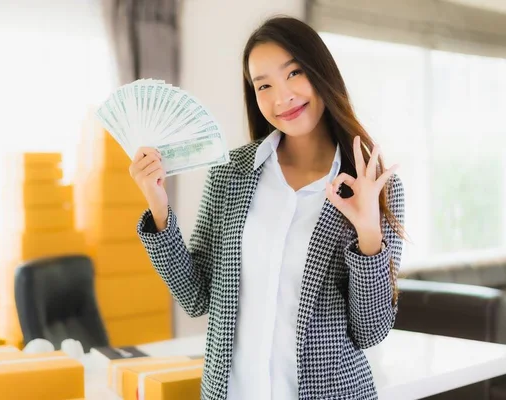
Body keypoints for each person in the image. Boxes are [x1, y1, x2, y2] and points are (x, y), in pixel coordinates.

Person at [129, 15, 406, 400]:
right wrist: (159, 208)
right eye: (264, 85)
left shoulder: (371, 185)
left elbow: (371, 330)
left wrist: (369, 236)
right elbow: (196, 296)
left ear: (320, 71)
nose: (282, 97)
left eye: (293, 73)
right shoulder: (232, 173)